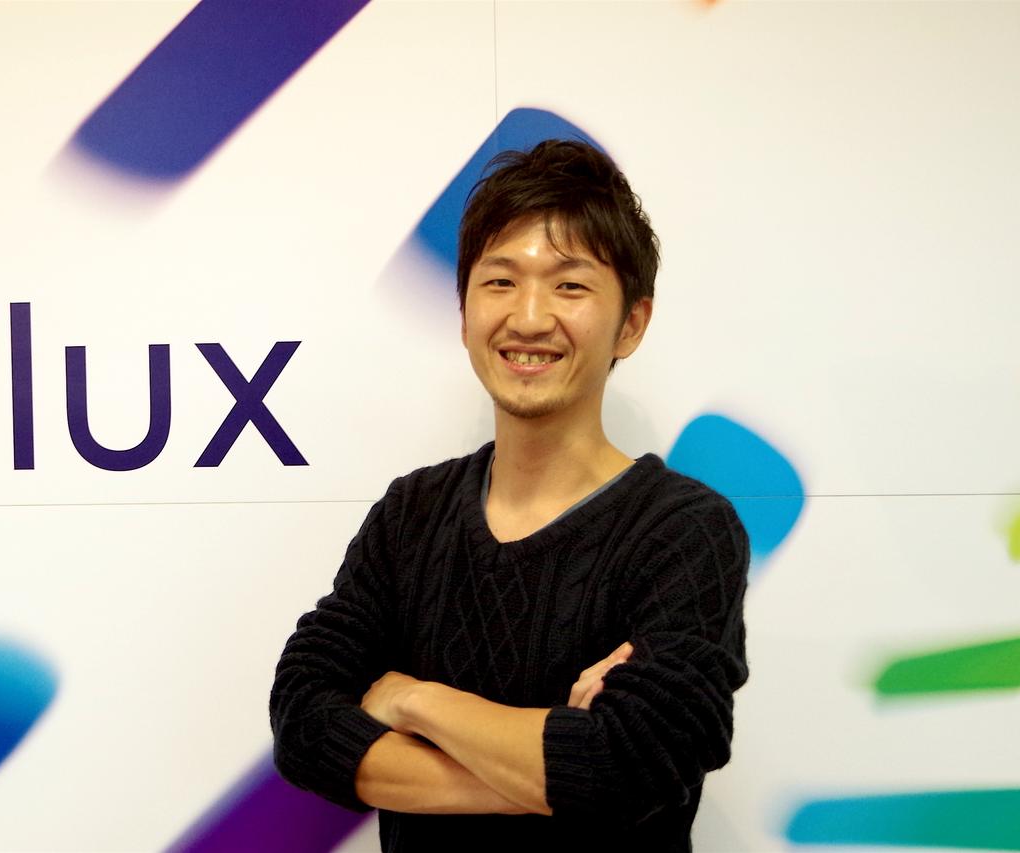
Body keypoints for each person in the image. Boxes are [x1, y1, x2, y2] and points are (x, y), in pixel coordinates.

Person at [268, 138, 750, 850]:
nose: (528, 318)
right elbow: (304, 721)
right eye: (500, 281)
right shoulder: (412, 514)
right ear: (464, 314)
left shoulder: (684, 529)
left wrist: (414, 698)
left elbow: (637, 759)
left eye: (570, 286)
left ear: (632, 323)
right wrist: (555, 776)